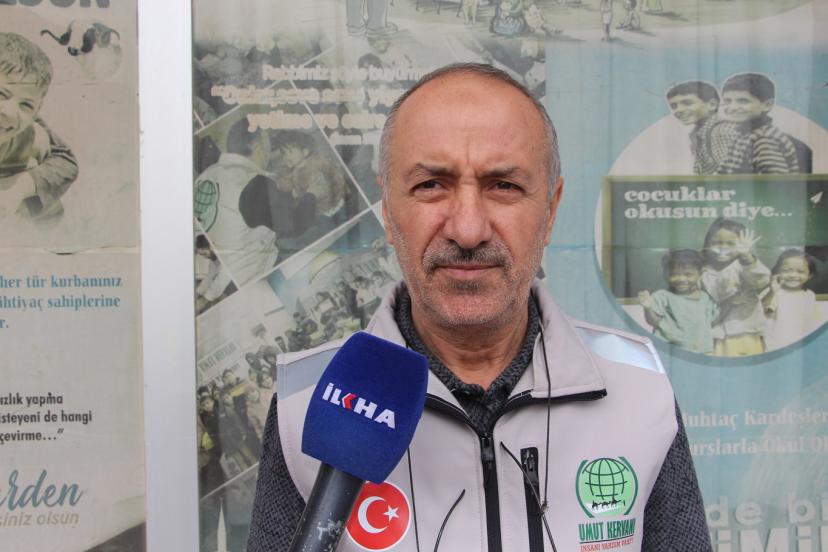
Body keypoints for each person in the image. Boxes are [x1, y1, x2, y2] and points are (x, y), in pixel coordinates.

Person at [247, 63, 711, 551]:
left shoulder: (638, 391)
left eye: (503, 186)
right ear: (387, 209)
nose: (468, 230)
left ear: (550, 211)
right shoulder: (307, 403)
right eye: (431, 184)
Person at [0, 32, 79, 221]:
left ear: (36, 112)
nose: (10, 112)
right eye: (2, 94)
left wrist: (19, 187)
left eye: (26, 105)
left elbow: (66, 162)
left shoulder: (33, 134)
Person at [193, 117, 279, 285]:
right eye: (268, 146)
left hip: (209, 276)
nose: (269, 154)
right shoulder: (255, 183)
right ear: (257, 147)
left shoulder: (207, 174)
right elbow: (292, 224)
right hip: (244, 282)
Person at [700, 218, 770, 357]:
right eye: (716, 242)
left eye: (731, 243)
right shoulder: (705, 272)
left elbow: (762, 281)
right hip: (718, 336)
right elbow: (716, 295)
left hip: (748, 333)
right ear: (707, 244)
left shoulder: (745, 265)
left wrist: (747, 257)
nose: (723, 247)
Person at [717, 73, 806, 174]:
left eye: (743, 101)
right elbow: (722, 173)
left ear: (767, 105)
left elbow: (774, 180)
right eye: (727, 101)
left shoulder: (764, 139)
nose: (732, 107)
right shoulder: (742, 135)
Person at [638, 249, 719, 354]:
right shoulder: (663, 296)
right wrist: (647, 308)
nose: (681, 279)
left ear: (700, 274)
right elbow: (653, 322)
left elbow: (714, 320)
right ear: (666, 274)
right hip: (670, 352)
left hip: (700, 352)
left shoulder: (705, 297)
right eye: (674, 274)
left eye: (688, 274)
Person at [665, 81, 740, 175]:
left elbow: (733, 174)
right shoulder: (700, 133)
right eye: (674, 106)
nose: (679, 110)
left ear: (712, 105)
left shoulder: (720, 131)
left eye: (687, 103)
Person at [762, 249, 821, 351]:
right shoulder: (772, 291)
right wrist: (772, 292)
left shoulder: (809, 295)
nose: (793, 275)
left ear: (810, 275)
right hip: (775, 345)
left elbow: (810, 322)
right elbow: (759, 312)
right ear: (777, 271)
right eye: (786, 270)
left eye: (800, 271)